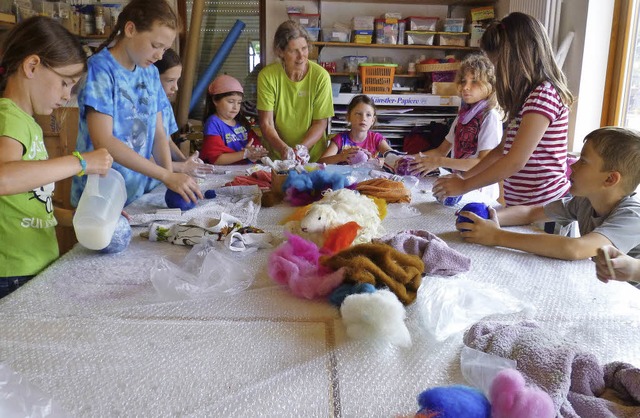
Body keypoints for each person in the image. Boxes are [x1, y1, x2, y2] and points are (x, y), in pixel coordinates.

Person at [0, 17, 113, 297]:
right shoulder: (8, 118)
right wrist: (81, 162)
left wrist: (77, 218)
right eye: (65, 83)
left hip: (33, 263)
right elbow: (3, 178)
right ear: (32, 66)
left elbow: (29, 207)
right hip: (11, 271)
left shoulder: (28, 124)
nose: (67, 95)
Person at [432, 12, 575, 207]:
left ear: (516, 59)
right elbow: (501, 150)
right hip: (523, 205)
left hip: (545, 207)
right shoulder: (527, 97)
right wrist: (464, 177)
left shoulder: (543, 95)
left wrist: (465, 185)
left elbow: (515, 161)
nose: (497, 72)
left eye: (498, 64)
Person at [70, 0, 202, 207]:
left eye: (165, 49)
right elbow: (104, 141)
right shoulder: (101, 70)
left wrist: (169, 179)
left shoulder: (149, 72)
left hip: (139, 191)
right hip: (101, 195)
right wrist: (166, 176)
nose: (159, 56)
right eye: (156, 46)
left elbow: (159, 134)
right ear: (130, 29)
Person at [456, 127, 640, 262]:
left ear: (610, 179)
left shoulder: (633, 218)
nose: (573, 165)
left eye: (583, 161)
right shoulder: (584, 202)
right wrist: (487, 218)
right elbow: (531, 213)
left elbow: (575, 248)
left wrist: (497, 236)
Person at [409, 54, 502, 201]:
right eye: (463, 81)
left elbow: (483, 163)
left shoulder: (490, 117)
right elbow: (441, 151)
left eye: (475, 82)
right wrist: (405, 159)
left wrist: (439, 162)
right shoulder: (463, 117)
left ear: (490, 86)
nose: (466, 87)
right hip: (460, 185)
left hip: (480, 192)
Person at [257, 20, 334, 163]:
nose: (301, 56)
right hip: (277, 157)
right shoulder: (267, 76)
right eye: (294, 51)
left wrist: (300, 149)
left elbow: (320, 123)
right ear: (280, 52)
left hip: (312, 156)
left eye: (304, 48)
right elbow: (266, 123)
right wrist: (284, 149)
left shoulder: (321, 76)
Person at [153, 48, 214, 177]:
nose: (176, 87)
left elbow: (167, 141)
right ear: (150, 76)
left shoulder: (164, 104)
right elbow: (138, 157)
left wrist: (186, 161)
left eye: (177, 81)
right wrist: (179, 167)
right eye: (170, 80)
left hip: (160, 176)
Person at [199, 74, 268, 165]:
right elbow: (216, 159)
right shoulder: (213, 123)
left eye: (239, 103)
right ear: (215, 100)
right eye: (230, 101)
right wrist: (244, 154)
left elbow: (254, 146)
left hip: (244, 171)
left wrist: (255, 154)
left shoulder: (241, 121)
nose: (235, 107)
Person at [318, 94, 392, 165]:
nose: (363, 118)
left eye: (368, 115)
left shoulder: (376, 139)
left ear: (373, 120)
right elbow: (321, 162)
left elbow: (393, 157)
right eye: (358, 114)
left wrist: (374, 161)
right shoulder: (340, 139)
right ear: (348, 117)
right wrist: (341, 156)